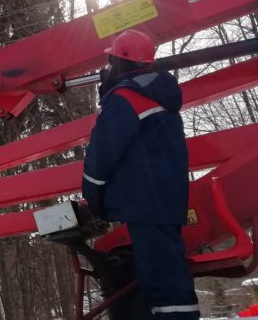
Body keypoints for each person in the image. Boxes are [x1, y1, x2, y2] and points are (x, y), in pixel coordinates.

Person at [82, 29, 199, 320]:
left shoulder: (126, 98)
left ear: (121, 62)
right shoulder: (159, 96)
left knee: (163, 279)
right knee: (167, 274)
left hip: (145, 203)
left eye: (111, 61)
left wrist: (92, 195)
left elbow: (102, 152)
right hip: (166, 200)